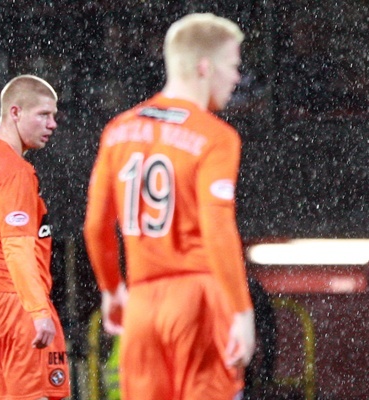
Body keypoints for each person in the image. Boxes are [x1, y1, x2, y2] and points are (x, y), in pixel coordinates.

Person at [83, 13, 256, 400]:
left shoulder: (118, 130)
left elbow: (95, 225)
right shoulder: (216, 136)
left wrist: (112, 289)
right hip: (200, 300)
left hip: (142, 306)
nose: (236, 78)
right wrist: (242, 312)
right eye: (232, 66)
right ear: (204, 67)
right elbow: (217, 228)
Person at [0, 75, 70, 400]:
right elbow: (17, 247)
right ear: (15, 112)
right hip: (14, 302)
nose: (53, 124)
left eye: (54, 115)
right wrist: (37, 310)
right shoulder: (14, 169)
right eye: (44, 115)